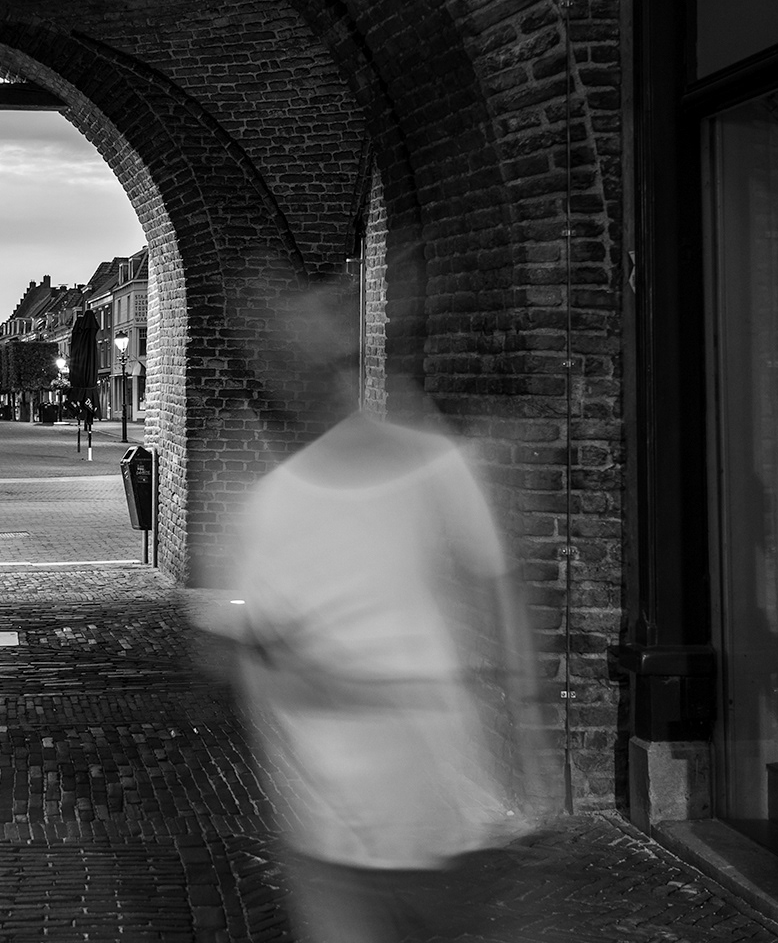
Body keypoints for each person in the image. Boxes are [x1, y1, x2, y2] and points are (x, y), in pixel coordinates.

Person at [192, 282, 551, 943]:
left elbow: (500, 597)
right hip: (342, 812)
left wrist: (522, 737)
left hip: (425, 800)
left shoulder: (426, 465)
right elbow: (235, 649)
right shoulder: (270, 503)